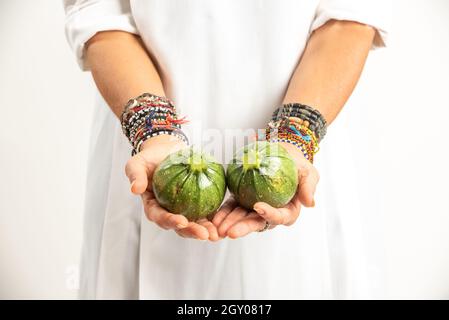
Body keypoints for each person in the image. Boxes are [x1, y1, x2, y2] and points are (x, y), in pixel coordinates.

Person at [63, 0, 390, 299]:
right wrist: (153, 130)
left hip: (306, 121)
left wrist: (295, 135)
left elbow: (352, 16)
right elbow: (100, 16)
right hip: (145, 142)